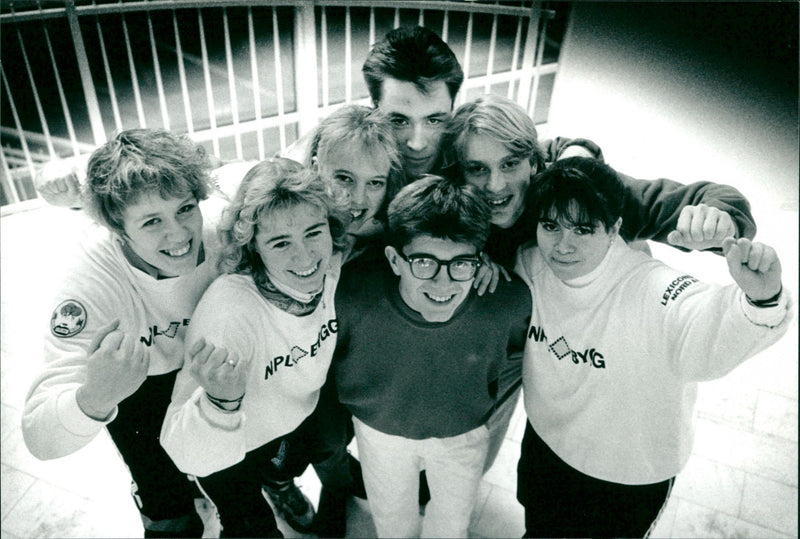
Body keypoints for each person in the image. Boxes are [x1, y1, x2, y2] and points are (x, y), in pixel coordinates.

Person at [438, 93, 760, 471]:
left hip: (587, 352)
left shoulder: (577, 194)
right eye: (477, 169)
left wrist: (718, 218)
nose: (495, 184)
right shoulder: (450, 196)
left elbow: (713, 197)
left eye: (510, 164)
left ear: (534, 160)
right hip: (504, 337)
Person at [514, 157, 792, 538]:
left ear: (614, 229)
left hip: (627, 474)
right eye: (550, 226)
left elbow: (700, 318)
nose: (563, 245)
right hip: (546, 446)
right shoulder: (529, 263)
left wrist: (761, 299)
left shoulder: (652, 288)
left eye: (582, 229)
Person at [21, 128, 224, 537]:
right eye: (151, 222)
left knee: (231, 474)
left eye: (185, 209)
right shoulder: (91, 282)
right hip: (136, 386)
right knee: (163, 497)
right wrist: (95, 396)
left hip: (210, 368)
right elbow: (38, 434)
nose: (179, 234)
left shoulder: (224, 231)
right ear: (118, 230)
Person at [159, 158, 350, 538]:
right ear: (253, 247)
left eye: (314, 232)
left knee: (283, 470)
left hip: (291, 421)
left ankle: (279, 488)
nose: (306, 257)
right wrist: (221, 403)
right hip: (230, 449)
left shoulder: (333, 265)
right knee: (250, 524)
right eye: (280, 243)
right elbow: (184, 452)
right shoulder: (229, 316)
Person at [332, 175, 532, 538]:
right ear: (394, 260)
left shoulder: (507, 303)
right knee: (391, 518)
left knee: (453, 522)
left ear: (479, 259)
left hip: (463, 434)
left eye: (460, 264)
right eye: (424, 262)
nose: (443, 284)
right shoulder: (350, 297)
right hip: (380, 433)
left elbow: (519, 360)